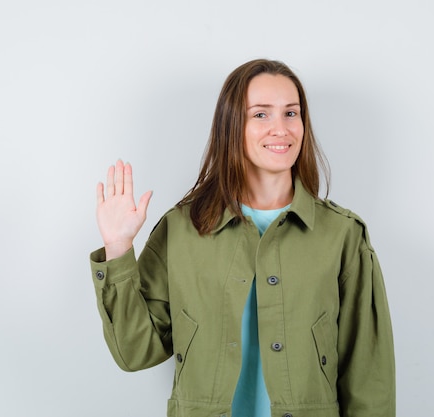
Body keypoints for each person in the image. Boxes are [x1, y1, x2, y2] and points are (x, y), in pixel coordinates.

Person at [90, 59, 395, 417]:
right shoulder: (182, 230)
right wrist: (118, 247)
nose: (281, 129)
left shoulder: (343, 235)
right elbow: (135, 352)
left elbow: (369, 379)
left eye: (291, 113)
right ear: (232, 125)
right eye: (261, 115)